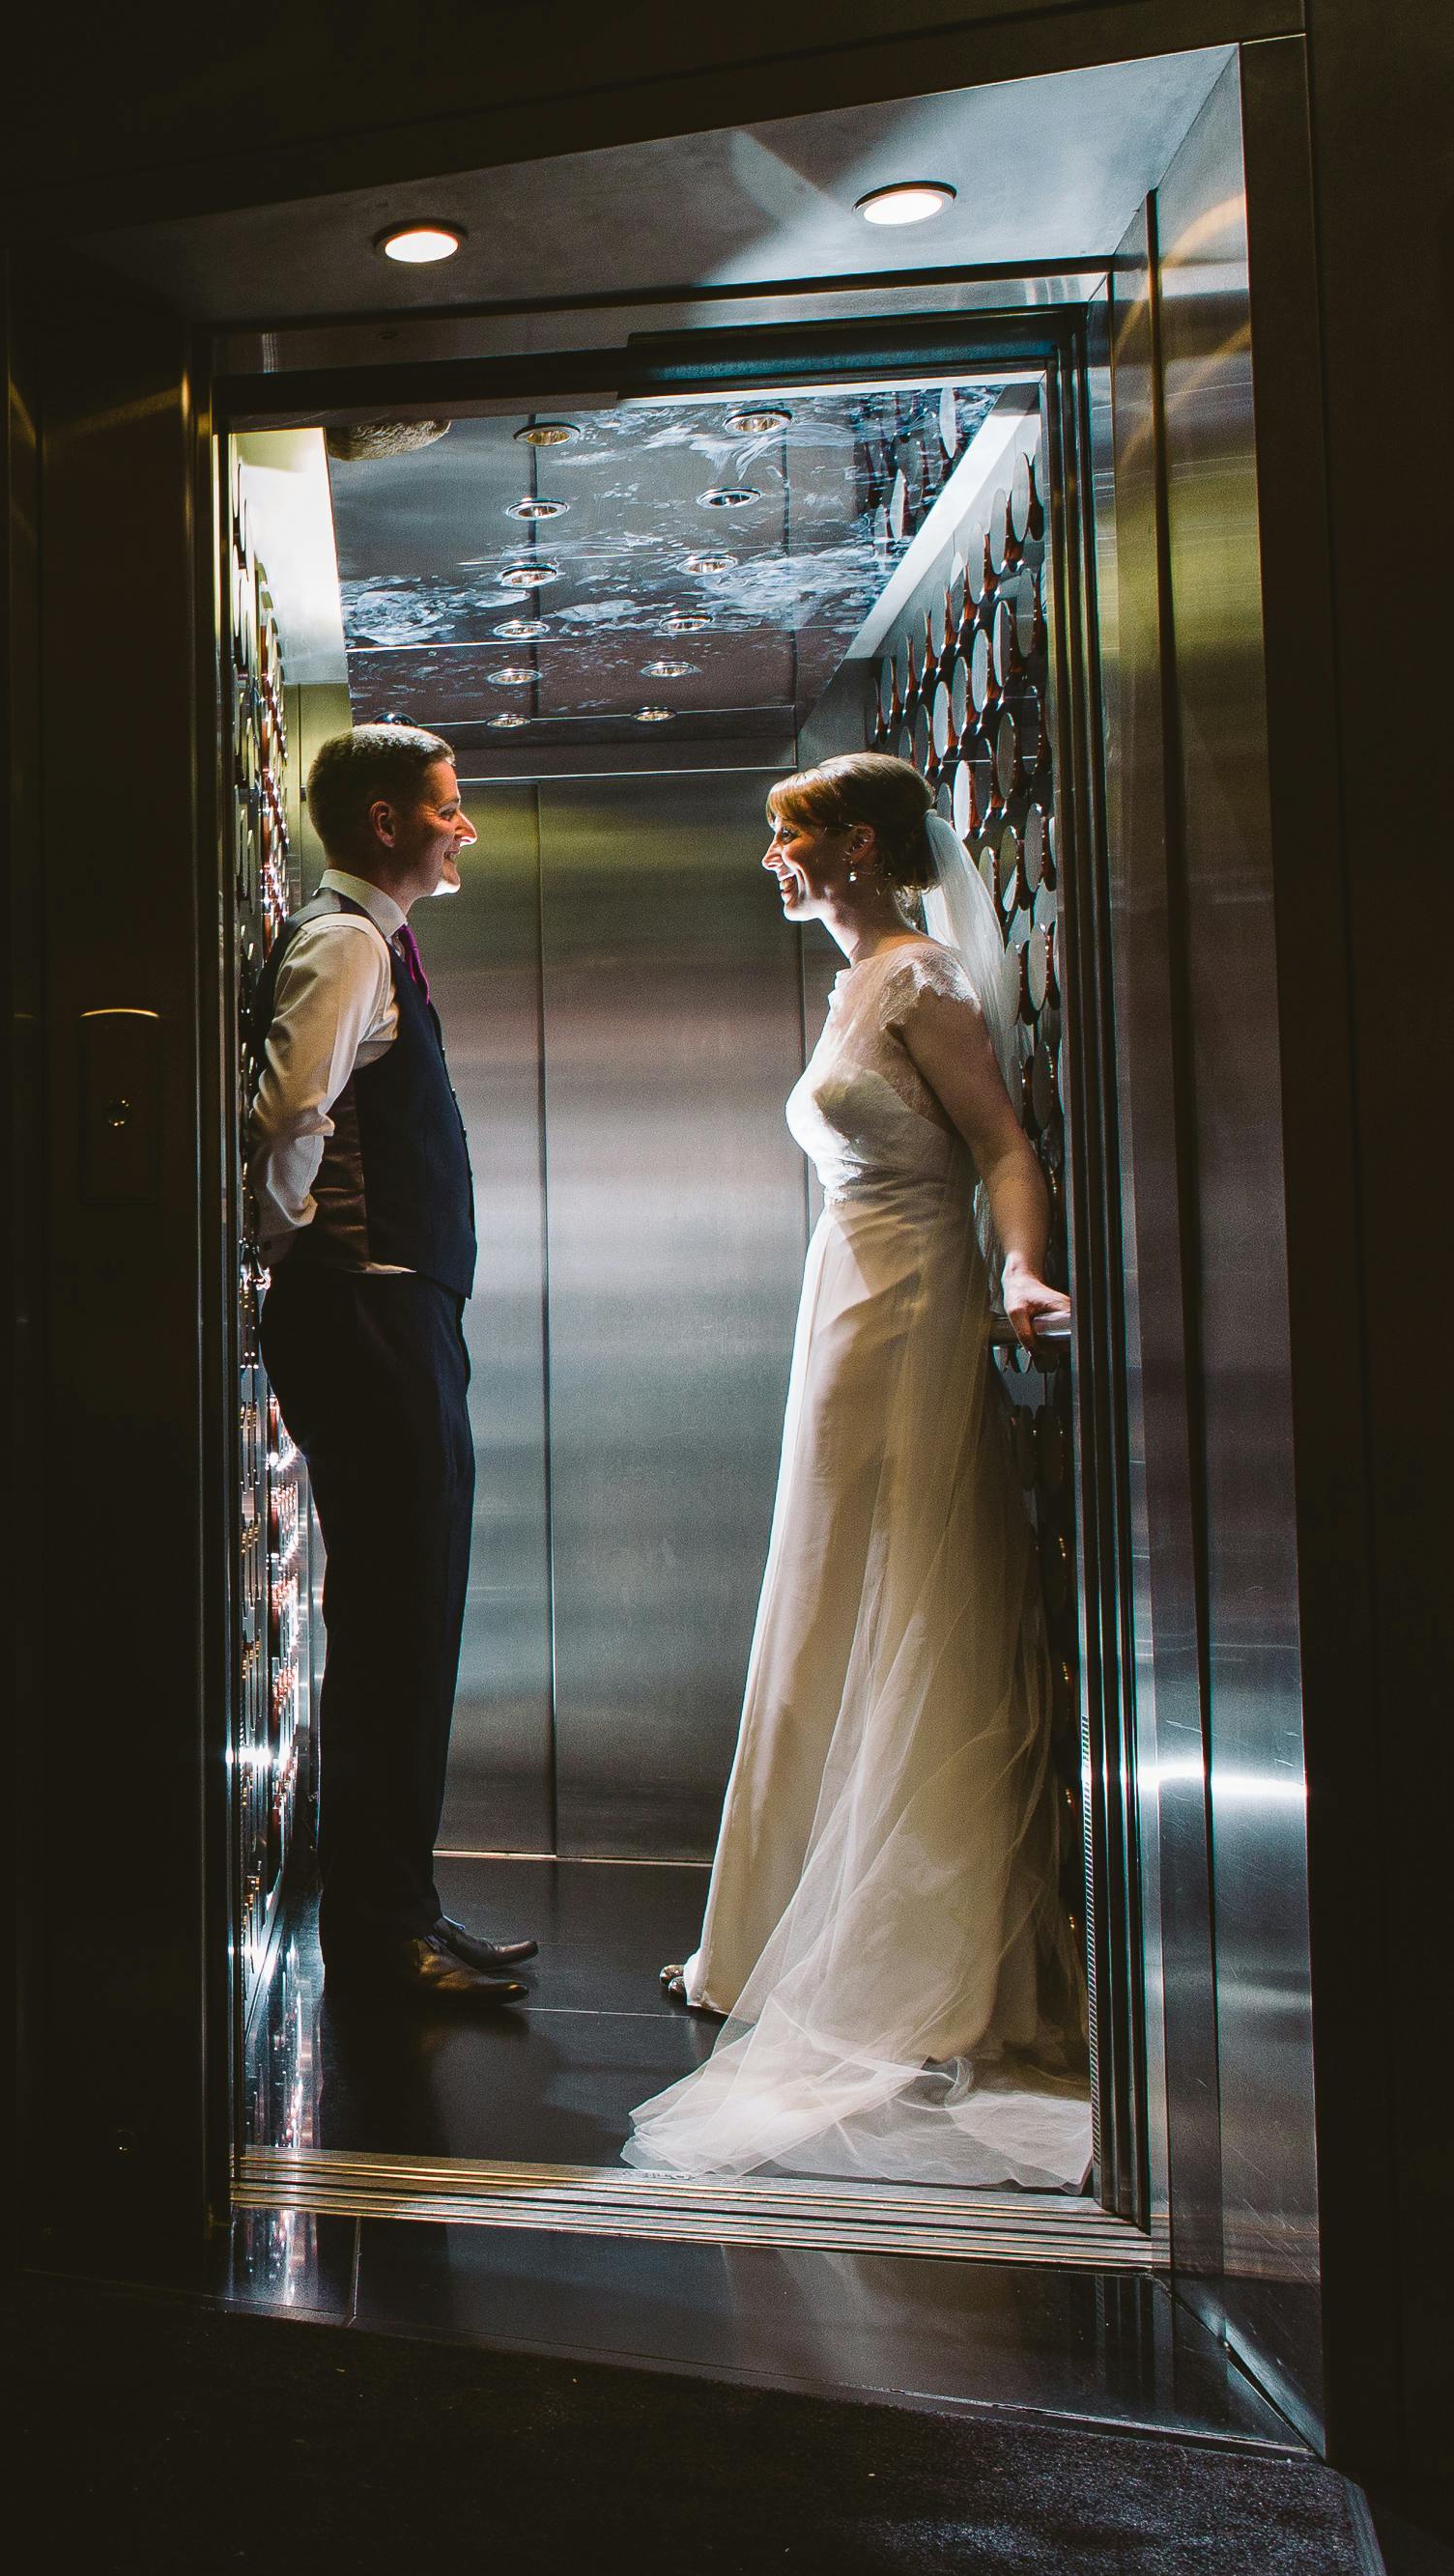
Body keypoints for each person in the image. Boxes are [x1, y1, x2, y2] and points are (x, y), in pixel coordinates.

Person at [626, 750, 1090, 2188]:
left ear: (863, 845)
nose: (776, 856)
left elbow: (1003, 1145)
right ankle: (780, 1928)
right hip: (849, 1303)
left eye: (794, 834)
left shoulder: (918, 983)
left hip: (909, 1307)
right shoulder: (854, 980)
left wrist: (1023, 1272)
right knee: (830, 1597)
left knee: (908, 1593)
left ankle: (905, 1951)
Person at [248, 725, 535, 2008]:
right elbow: (287, 1109)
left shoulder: (370, 939)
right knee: (399, 1617)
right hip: (367, 1307)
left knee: (408, 1615)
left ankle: (397, 1905)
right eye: (447, 807)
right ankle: (381, 1927)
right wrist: (297, 1241)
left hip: (384, 1305)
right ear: (383, 819)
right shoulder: (347, 939)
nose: (461, 828)